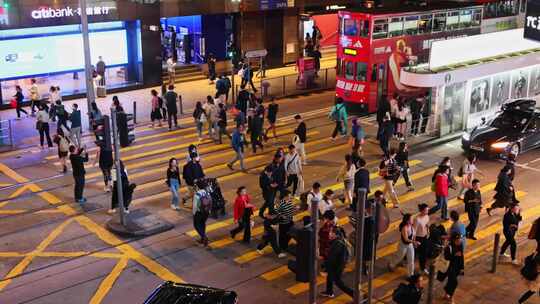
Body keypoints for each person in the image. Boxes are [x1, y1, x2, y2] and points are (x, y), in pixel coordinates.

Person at [320, 227, 353, 298]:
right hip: (337, 265)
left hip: (337, 266)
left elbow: (332, 258)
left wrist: (324, 265)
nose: (329, 234)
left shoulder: (337, 244)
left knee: (338, 282)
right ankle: (329, 292)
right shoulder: (338, 241)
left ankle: (354, 294)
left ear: (336, 235)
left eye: (331, 232)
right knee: (330, 277)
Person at [437, 233, 465, 303]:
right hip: (450, 267)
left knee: (451, 281)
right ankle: (451, 297)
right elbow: (446, 257)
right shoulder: (449, 247)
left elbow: (461, 257)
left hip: (457, 267)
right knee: (455, 282)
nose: (459, 241)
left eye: (460, 240)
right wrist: (454, 255)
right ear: (453, 240)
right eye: (458, 240)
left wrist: (462, 267)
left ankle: (446, 293)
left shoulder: (460, 245)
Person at [388, 213, 418, 277]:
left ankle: (410, 275)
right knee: (399, 257)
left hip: (410, 245)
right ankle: (391, 264)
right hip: (403, 245)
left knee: (411, 260)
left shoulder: (412, 227)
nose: (413, 220)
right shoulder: (404, 228)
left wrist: (414, 242)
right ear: (407, 221)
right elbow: (406, 239)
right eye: (411, 219)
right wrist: (414, 242)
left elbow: (414, 235)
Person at [193, 179, 210, 246]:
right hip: (206, 211)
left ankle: (204, 237)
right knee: (202, 223)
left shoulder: (197, 194)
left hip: (199, 212)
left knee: (196, 225)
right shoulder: (207, 192)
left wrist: (194, 214)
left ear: (198, 186)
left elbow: (195, 206)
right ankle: (203, 238)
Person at [414, 203, 430, 274]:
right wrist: (414, 241)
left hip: (425, 236)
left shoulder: (426, 216)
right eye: (426, 210)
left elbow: (427, 224)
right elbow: (414, 231)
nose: (427, 211)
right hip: (418, 238)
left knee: (425, 253)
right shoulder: (417, 219)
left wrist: (428, 231)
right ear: (422, 211)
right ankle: (421, 268)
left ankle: (423, 267)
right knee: (420, 254)